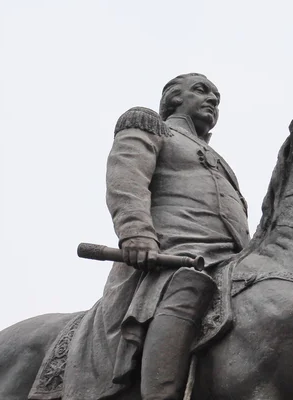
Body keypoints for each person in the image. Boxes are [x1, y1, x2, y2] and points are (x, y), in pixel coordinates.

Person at [63, 73, 249, 400]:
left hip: (231, 262)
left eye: (217, 98)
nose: (212, 101)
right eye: (202, 91)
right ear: (174, 98)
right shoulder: (151, 125)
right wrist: (137, 235)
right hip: (173, 256)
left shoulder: (221, 162)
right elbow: (127, 179)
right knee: (188, 288)